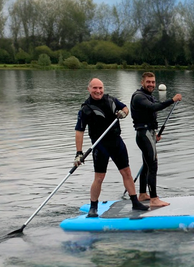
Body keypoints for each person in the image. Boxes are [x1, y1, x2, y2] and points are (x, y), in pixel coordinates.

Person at [74, 78, 148, 217]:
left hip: (116, 142)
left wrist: (123, 114)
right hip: (100, 145)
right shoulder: (85, 108)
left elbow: (125, 108)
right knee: (99, 177)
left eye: (100, 88)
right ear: (89, 89)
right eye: (95, 88)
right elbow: (79, 131)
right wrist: (79, 152)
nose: (98, 91)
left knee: (126, 172)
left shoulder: (111, 100)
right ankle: (93, 207)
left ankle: (135, 202)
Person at [130, 72, 182, 208]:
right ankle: (154, 198)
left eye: (153, 82)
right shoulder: (139, 97)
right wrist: (172, 100)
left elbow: (151, 113)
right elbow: (153, 107)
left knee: (147, 165)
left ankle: (142, 194)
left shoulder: (148, 96)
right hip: (144, 135)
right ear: (142, 82)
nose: (151, 84)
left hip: (148, 134)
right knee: (153, 166)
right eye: (148, 82)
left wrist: (155, 134)